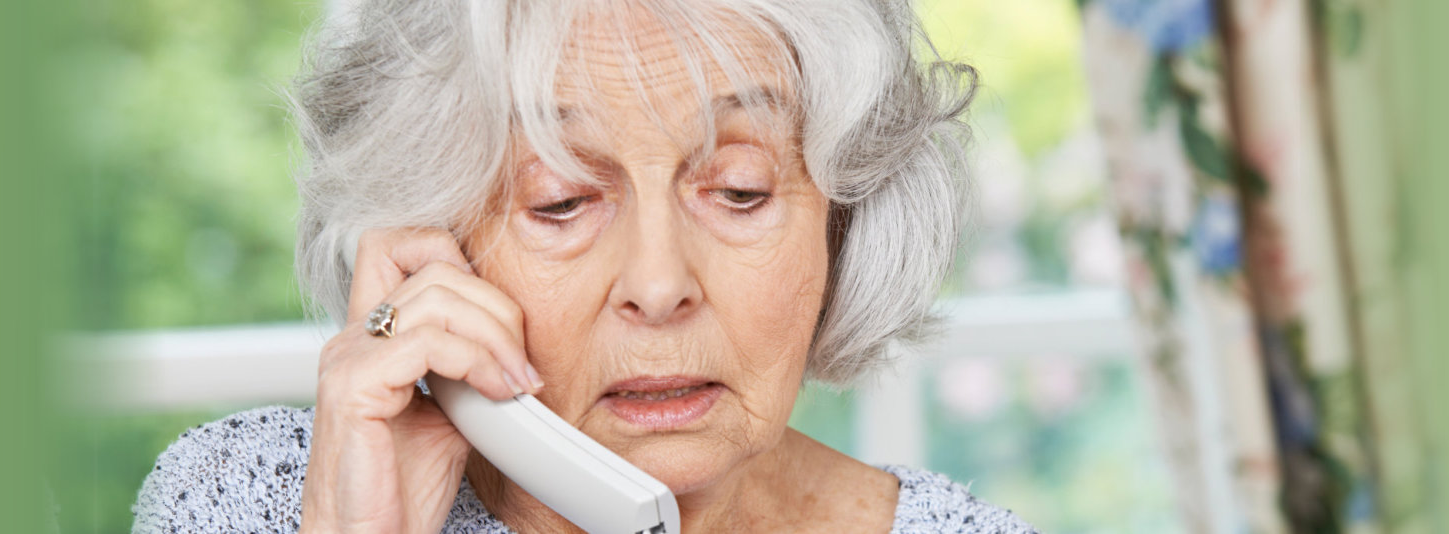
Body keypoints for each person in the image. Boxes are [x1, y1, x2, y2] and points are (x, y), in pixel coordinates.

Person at [133, 0, 1037, 532]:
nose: (657, 284)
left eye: (741, 191)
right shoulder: (237, 498)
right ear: (432, 245)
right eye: (561, 201)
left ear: (842, 222)